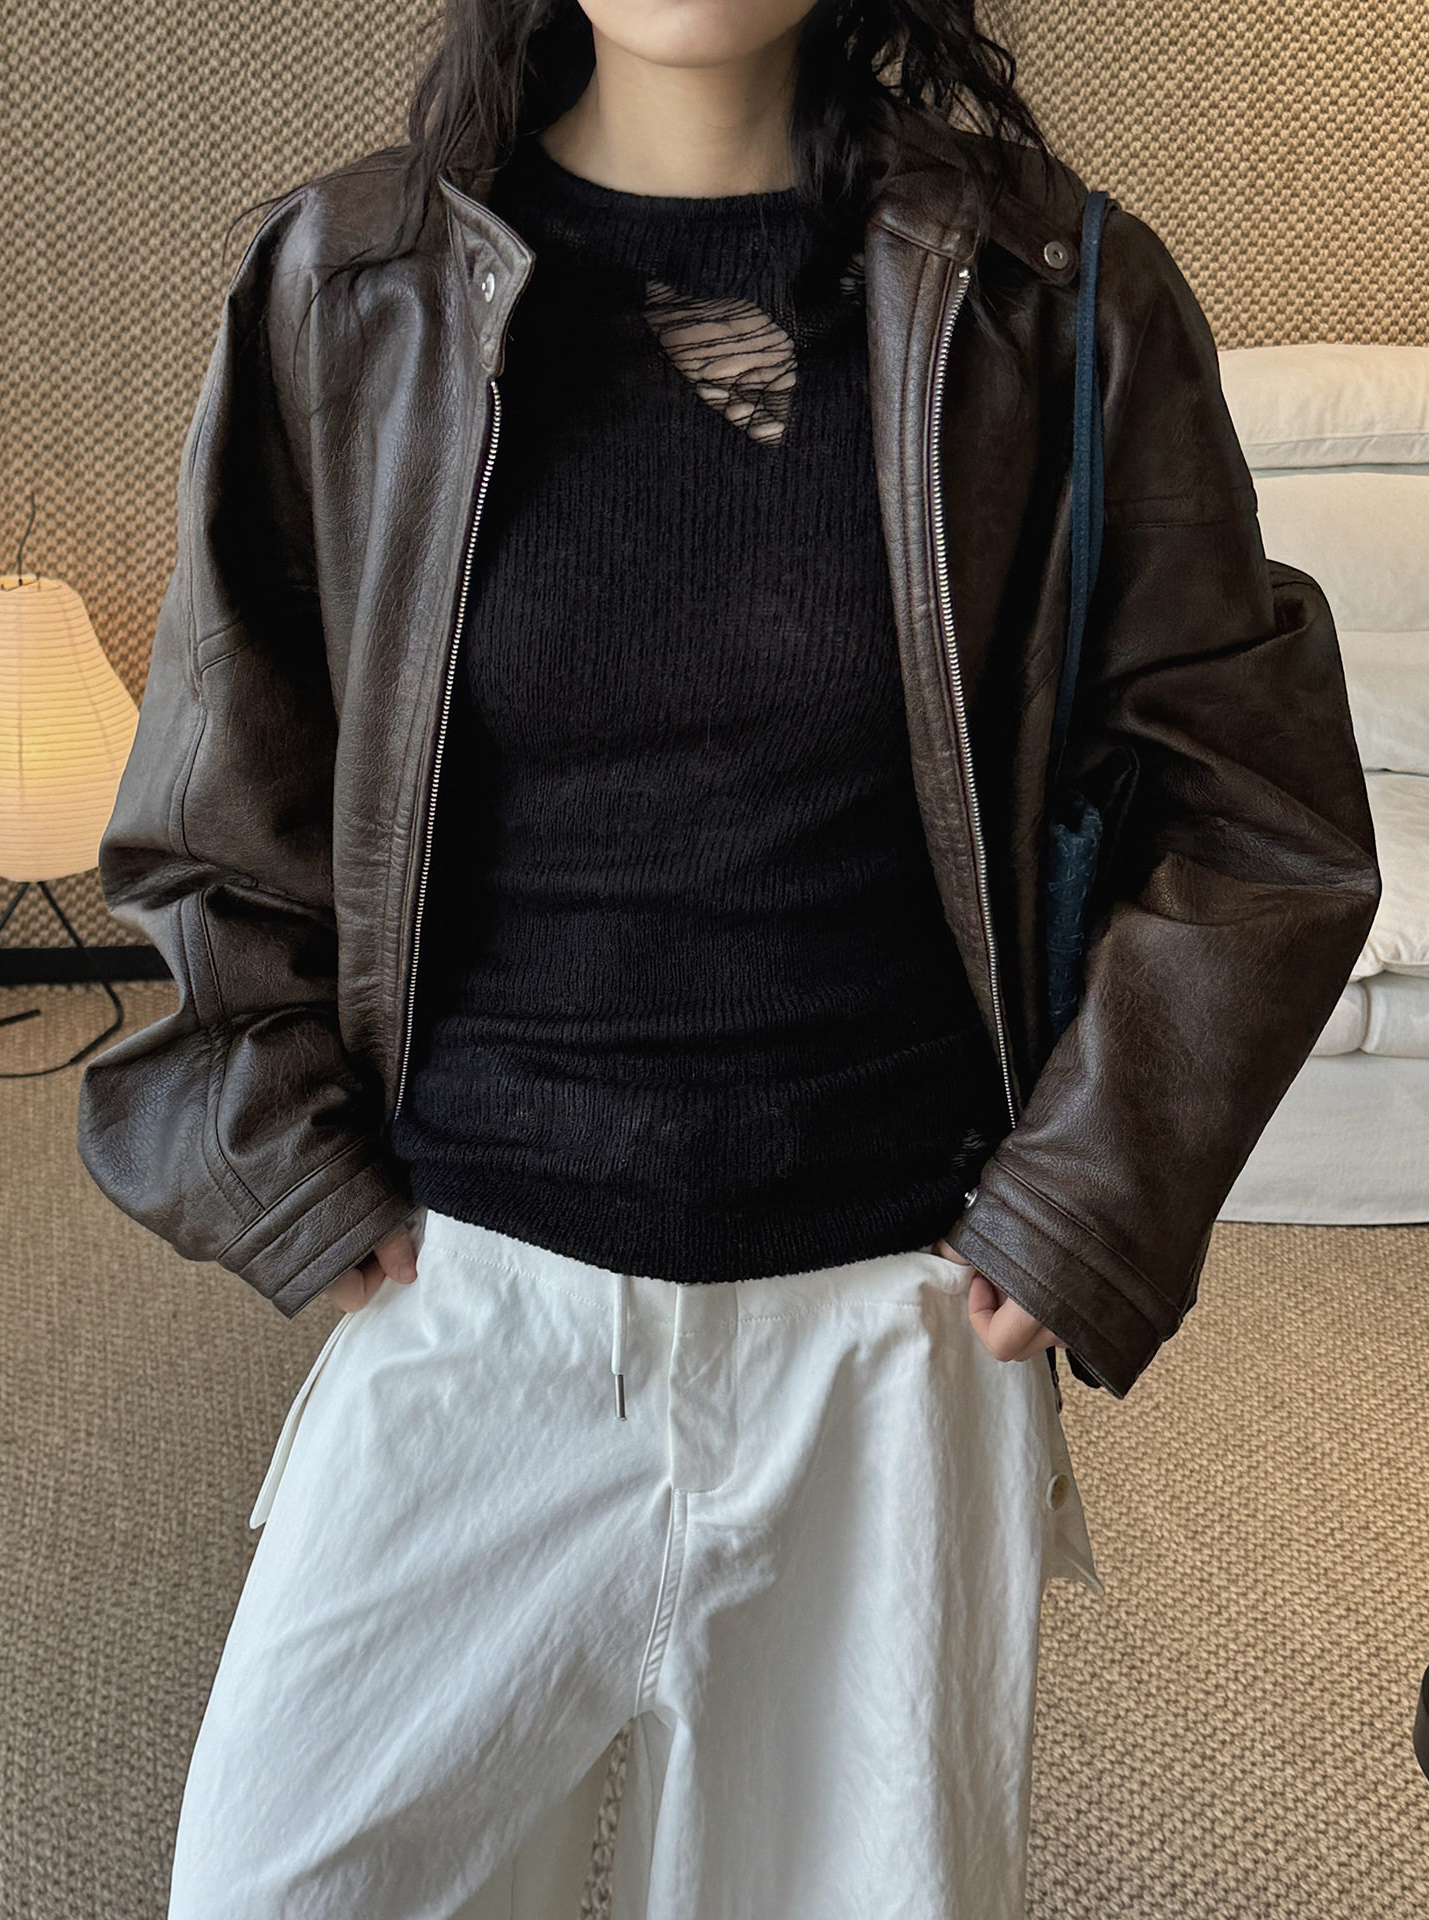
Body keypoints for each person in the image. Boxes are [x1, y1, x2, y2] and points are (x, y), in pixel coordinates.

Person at [74, 1, 1380, 1915]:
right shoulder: (346, 286)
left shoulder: (1057, 295)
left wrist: (1085, 1205)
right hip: (470, 1301)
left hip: (892, 1337)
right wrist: (286, 1173)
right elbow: (216, 813)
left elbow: (1255, 807)